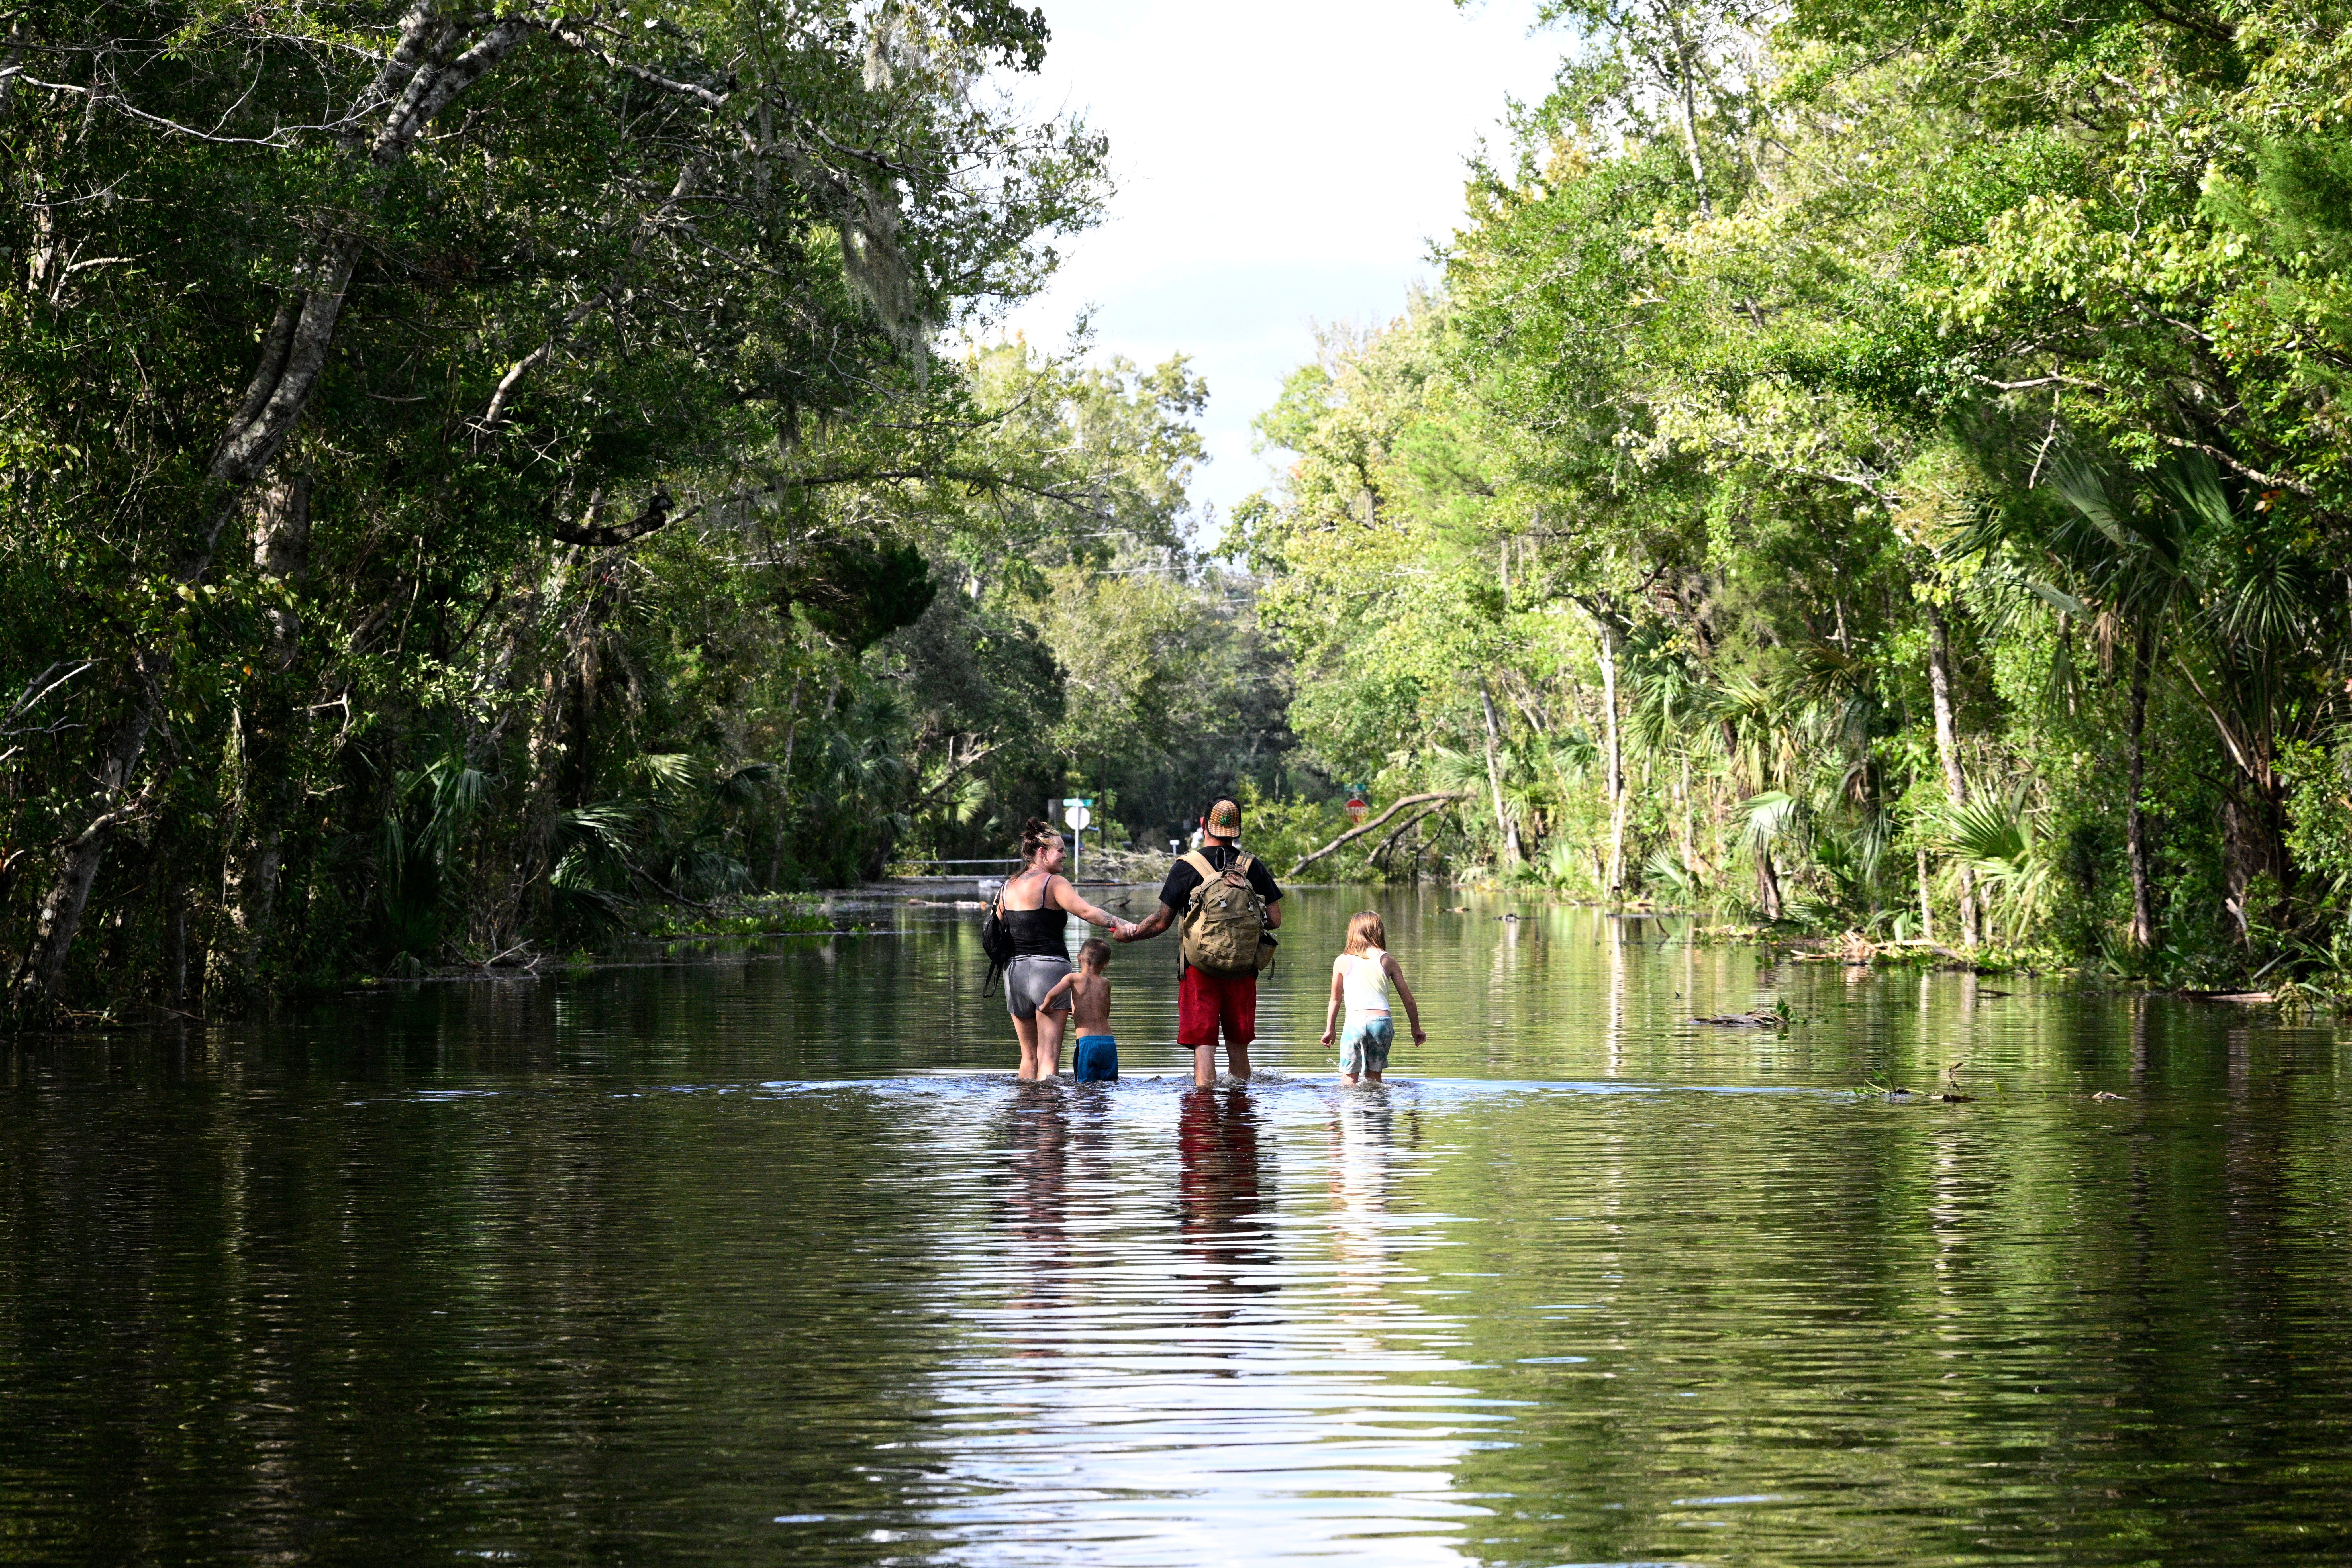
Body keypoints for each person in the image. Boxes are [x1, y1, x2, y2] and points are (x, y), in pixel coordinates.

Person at [1119, 797, 1282, 1086]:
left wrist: (1130, 933)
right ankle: (1239, 1111)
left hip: (1199, 969)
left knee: (1203, 1044)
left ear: (1203, 824)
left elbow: (1161, 921)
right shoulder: (1252, 866)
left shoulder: (1186, 866)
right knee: (1238, 1045)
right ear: (1238, 829)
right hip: (1243, 969)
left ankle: (1203, 1112)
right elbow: (1275, 919)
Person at [1000, 820, 1136, 1079]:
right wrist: (1121, 924)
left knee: (1028, 1057)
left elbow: (998, 927)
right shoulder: (1053, 883)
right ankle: (1049, 1119)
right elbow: (1086, 912)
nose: (1065, 855)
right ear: (1042, 852)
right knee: (1048, 1058)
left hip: (1014, 972)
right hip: (1048, 970)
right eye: (1060, 850)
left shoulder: (1008, 885)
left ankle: (1027, 1115)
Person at [1318, 909, 1424, 1085]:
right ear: (1379, 932)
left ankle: (1352, 1110)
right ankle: (1377, 1110)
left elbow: (1335, 999)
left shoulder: (1342, 961)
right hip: (1381, 1023)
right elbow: (1409, 999)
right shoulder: (1387, 960)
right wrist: (1416, 1029)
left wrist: (1330, 1029)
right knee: (1375, 1080)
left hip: (1355, 1023)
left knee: (1349, 1080)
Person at [1040, 938, 1119, 1082]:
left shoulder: (1073, 979)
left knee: (1085, 1088)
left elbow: (1053, 994)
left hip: (1087, 1043)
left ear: (1079, 958)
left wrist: (1045, 1007)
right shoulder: (1106, 983)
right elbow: (1106, 1013)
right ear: (1105, 965)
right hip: (1109, 1043)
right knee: (1109, 1085)